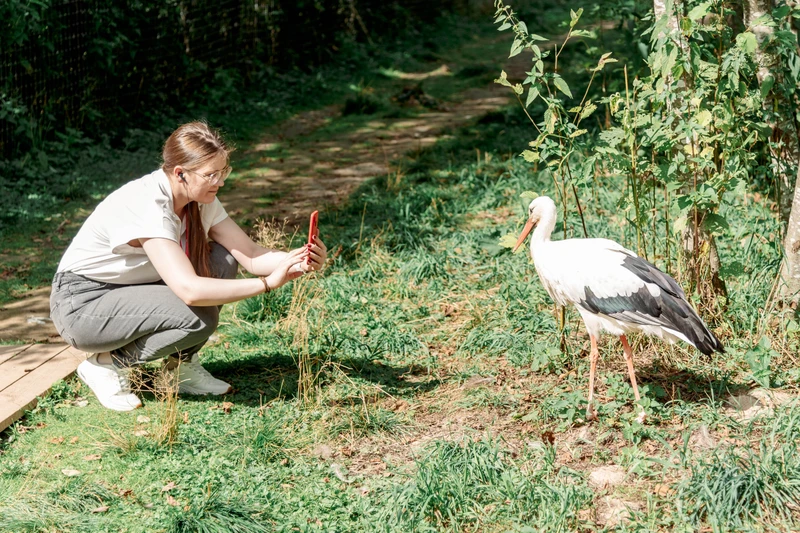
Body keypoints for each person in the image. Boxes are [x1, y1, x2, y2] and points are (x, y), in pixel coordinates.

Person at [50, 121, 327, 411]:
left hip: (130, 290)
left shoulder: (200, 198)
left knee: (223, 260)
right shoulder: (148, 206)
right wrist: (268, 284)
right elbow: (189, 290)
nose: (220, 182)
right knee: (197, 317)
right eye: (212, 175)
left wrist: (295, 260)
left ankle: (179, 368)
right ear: (180, 173)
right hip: (83, 306)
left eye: (224, 172)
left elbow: (251, 254)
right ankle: (105, 364)